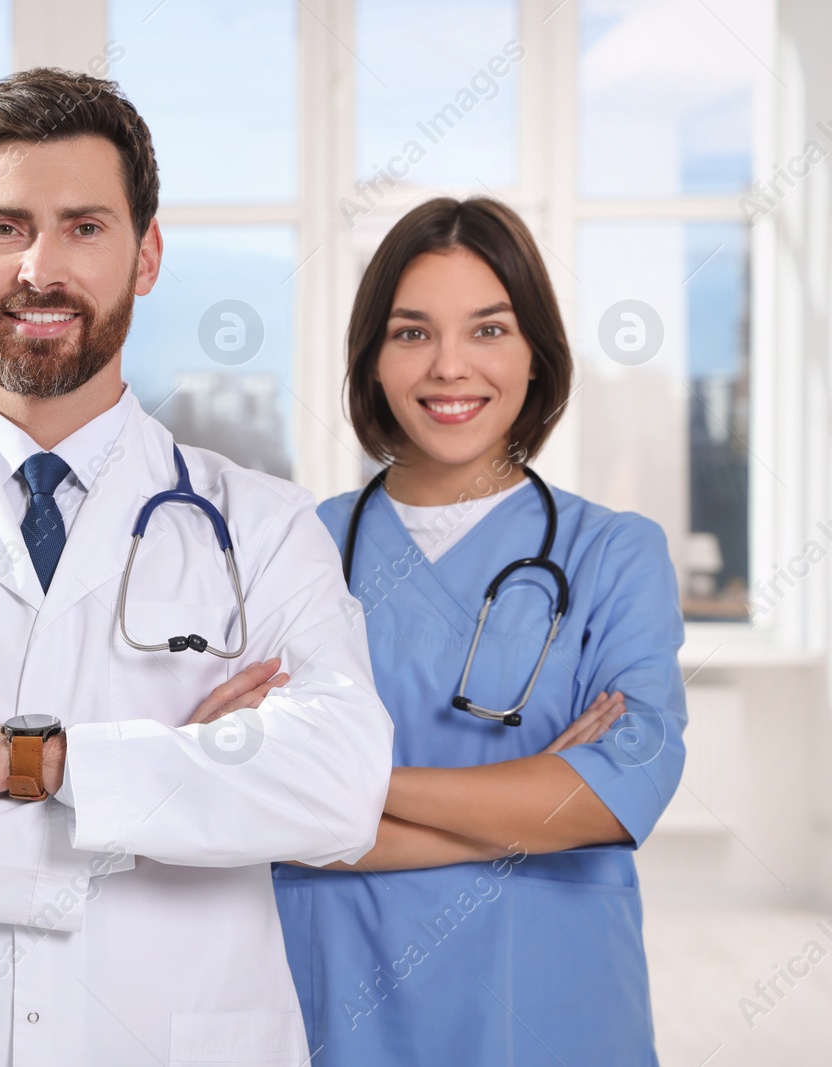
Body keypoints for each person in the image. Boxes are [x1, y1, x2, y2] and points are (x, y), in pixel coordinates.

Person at [0, 68, 395, 1066]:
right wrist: (150, 801)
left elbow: (336, 789)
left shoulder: (258, 525)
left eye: (84, 226)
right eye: (5, 227)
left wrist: (27, 761)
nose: (40, 268)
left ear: (147, 255)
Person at [269, 196, 686, 1065]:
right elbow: (252, 798)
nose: (450, 367)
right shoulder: (296, 545)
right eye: (413, 332)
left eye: (488, 330)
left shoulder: (615, 552)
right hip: (340, 995)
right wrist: (527, 799)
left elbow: (610, 796)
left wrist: (347, 785)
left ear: (536, 353)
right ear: (373, 360)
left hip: (550, 997)